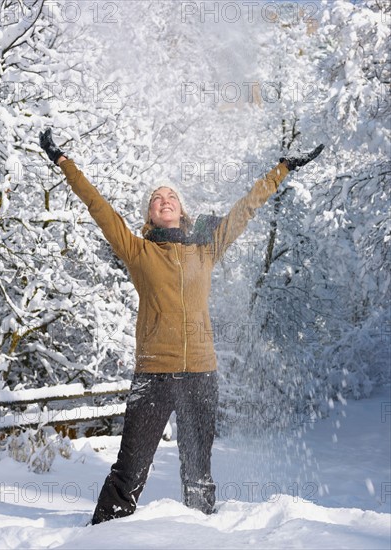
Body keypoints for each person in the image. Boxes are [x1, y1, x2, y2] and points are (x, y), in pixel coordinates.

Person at [39, 128, 324, 524]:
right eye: (157, 199)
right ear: (149, 215)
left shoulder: (204, 249)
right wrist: (64, 163)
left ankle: (200, 535)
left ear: (181, 209)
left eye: (171, 196)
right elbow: (99, 207)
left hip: (201, 374)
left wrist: (282, 170)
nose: (164, 200)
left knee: (198, 473)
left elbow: (245, 209)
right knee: (130, 470)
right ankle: (102, 535)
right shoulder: (139, 251)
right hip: (154, 374)